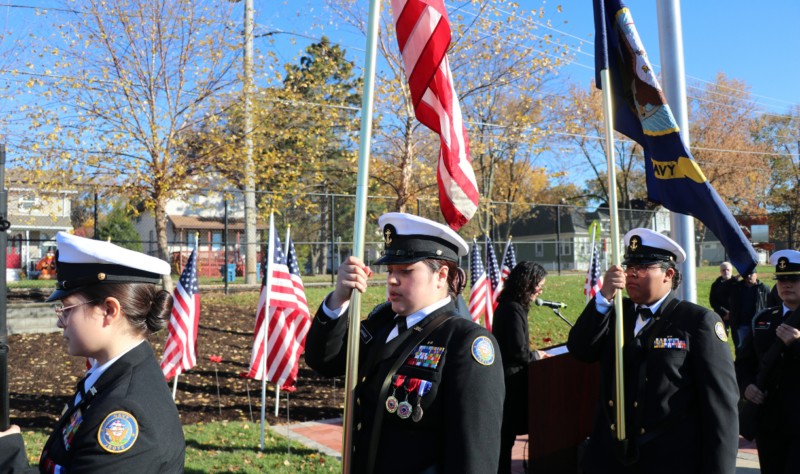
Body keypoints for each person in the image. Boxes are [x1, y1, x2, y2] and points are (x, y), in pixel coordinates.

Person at [305, 213, 505, 474]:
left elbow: (474, 455)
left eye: (406, 270)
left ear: (442, 275)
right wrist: (337, 300)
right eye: (390, 270)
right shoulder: (383, 321)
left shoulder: (465, 342)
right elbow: (326, 361)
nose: (391, 279)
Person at [0, 232, 185, 473]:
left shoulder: (124, 411)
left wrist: (8, 459)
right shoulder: (112, 378)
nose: (60, 322)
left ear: (109, 310)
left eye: (67, 308)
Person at [566, 228, 739, 474]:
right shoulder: (614, 312)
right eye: (629, 267)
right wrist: (604, 297)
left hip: (668, 459)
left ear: (668, 274)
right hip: (610, 458)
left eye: (643, 268)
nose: (631, 275)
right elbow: (581, 350)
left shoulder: (697, 321)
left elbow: (720, 407)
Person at [736, 249, 800, 474]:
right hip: (769, 420)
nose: (786, 284)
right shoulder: (764, 319)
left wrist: (796, 344)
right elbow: (743, 363)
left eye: (794, 279)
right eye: (781, 279)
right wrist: (747, 387)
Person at [491, 261, 546, 474]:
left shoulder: (511, 305)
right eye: (538, 285)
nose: (540, 290)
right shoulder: (512, 309)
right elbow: (517, 351)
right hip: (510, 382)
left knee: (507, 438)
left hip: (510, 378)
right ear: (527, 283)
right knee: (506, 439)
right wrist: (538, 355)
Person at [729, 270, 771, 350]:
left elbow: (771, 305)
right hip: (742, 324)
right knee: (744, 347)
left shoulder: (764, 288)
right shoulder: (737, 287)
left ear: (757, 275)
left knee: (759, 347)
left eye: (751, 273)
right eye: (747, 274)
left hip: (759, 324)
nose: (749, 276)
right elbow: (721, 292)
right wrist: (734, 278)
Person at [709, 261, 738, 335]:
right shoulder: (716, 285)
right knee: (721, 338)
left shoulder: (738, 284)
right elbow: (713, 301)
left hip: (736, 316)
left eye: (728, 270)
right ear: (720, 272)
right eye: (723, 270)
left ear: (732, 271)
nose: (726, 271)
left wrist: (732, 313)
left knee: (739, 341)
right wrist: (725, 312)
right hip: (721, 316)